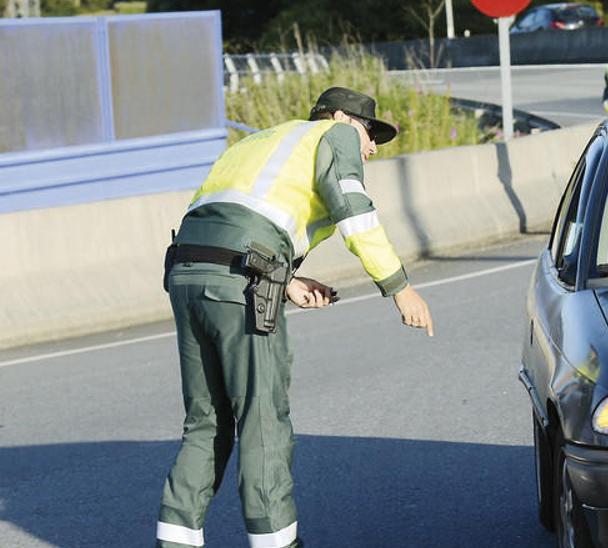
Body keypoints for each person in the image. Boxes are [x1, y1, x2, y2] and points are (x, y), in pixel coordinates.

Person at [155, 87, 433, 548]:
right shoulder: (335, 136)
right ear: (341, 117)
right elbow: (354, 212)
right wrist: (400, 289)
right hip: (238, 281)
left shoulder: (258, 142)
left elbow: (234, 218)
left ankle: (175, 540)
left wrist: (286, 282)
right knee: (263, 419)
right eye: (368, 131)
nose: (371, 147)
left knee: (206, 421)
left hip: (186, 272)